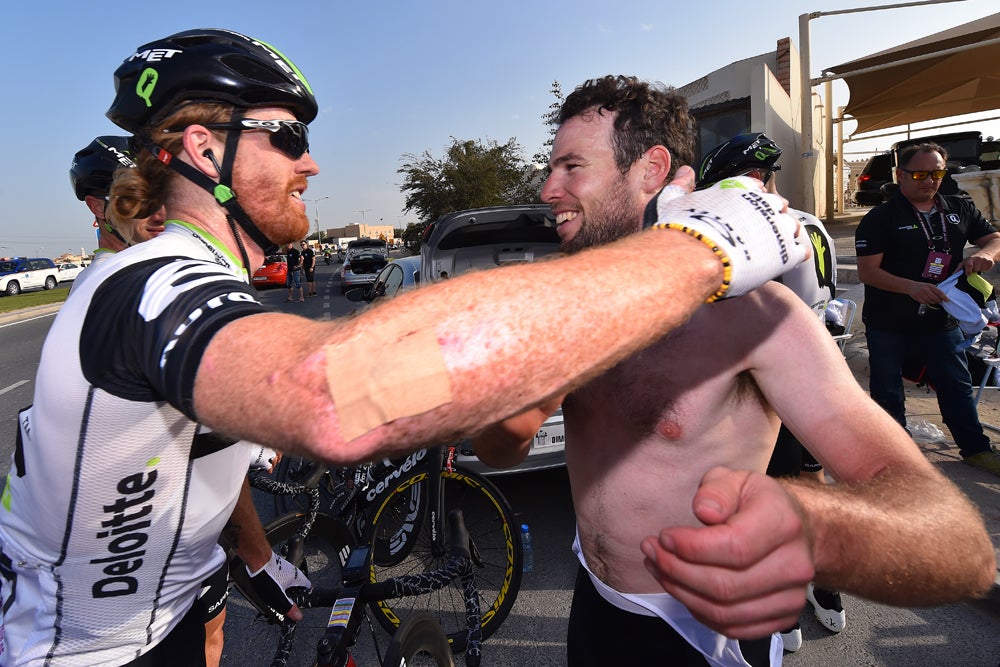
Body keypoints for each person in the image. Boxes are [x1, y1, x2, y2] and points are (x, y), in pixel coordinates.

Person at [0, 32, 813, 666]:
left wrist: (252, 554)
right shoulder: (145, 285)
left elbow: (194, 446)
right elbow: (330, 396)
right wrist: (695, 250)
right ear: (208, 151)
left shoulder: (201, 290)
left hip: (163, 622)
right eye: (285, 137)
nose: (311, 161)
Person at [472, 76, 994, 666]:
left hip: (705, 635)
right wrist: (506, 409)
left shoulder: (759, 318)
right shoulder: (566, 308)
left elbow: (955, 538)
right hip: (595, 600)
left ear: (651, 170)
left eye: (571, 167)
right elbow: (500, 452)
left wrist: (810, 524)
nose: (547, 190)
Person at [70, 134, 294, 667]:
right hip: (137, 560)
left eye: (160, 193)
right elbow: (195, 444)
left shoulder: (156, 273)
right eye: (132, 196)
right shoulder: (114, 291)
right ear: (98, 206)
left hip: (178, 539)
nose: (157, 211)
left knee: (212, 638)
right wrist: (257, 548)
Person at [697, 133, 846, 654]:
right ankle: (825, 589)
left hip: (768, 382)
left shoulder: (750, 230)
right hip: (820, 374)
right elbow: (823, 303)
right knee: (811, 483)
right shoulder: (809, 220)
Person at [855, 142, 1000, 476]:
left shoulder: (959, 207)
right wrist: (911, 287)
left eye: (937, 173)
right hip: (888, 320)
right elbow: (868, 272)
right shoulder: (881, 218)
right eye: (920, 174)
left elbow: (994, 238)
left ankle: (975, 449)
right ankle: (895, 454)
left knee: (955, 384)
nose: (929, 181)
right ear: (900, 175)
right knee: (887, 389)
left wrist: (987, 256)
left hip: (941, 318)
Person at [69, 136, 166, 268]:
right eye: (139, 199)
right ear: (97, 207)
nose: (161, 215)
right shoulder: (109, 278)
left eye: (166, 197)